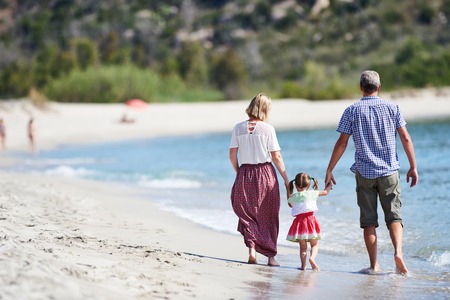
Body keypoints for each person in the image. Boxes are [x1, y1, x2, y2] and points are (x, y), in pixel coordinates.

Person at [325, 70, 418, 275]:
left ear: (361, 87)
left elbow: (342, 142)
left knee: (369, 221)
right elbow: (405, 138)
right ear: (379, 88)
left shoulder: (352, 110)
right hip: (389, 171)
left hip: (365, 172)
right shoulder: (393, 107)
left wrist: (330, 168)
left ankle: (374, 265)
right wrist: (413, 166)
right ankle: (398, 254)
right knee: (394, 216)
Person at [229, 93, 290, 266]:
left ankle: (252, 251)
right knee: (269, 214)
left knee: (248, 214)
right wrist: (286, 178)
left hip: (245, 173)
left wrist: (239, 171)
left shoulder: (238, 128)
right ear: (264, 109)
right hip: (265, 173)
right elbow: (276, 156)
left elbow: (232, 154)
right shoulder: (267, 129)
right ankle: (271, 257)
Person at [286, 172, 332, 271]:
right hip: (311, 221)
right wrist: (329, 185)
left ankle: (303, 266)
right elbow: (325, 192)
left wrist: (288, 190)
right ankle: (312, 258)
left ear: (295, 185)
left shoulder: (294, 196)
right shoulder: (312, 193)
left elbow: (290, 204)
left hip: (299, 223)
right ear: (309, 184)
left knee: (303, 247)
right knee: (314, 244)